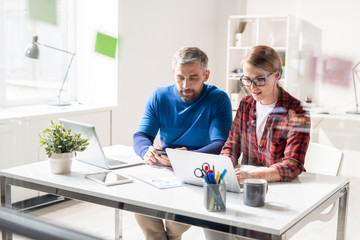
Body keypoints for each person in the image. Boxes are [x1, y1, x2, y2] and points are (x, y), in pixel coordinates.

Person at [204, 45, 311, 240]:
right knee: (211, 218)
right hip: (245, 187)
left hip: (279, 192)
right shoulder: (246, 104)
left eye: (260, 79)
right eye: (247, 79)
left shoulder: (297, 111)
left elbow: (293, 164)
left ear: (277, 75)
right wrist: (225, 164)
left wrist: (251, 175)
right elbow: (231, 144)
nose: (252, 87)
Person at [133, 46, 233, 240]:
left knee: (174, 225)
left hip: (200, 171)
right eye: (180, 77)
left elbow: (220, 143)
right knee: (140, 205)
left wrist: (184, 159)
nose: (185, 84)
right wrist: (146, 151)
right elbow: (141, 136)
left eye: (193, 77)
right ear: (173, 73)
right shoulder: (159, 96)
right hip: (165, 167)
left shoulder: (218, 99)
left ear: (206, 75)